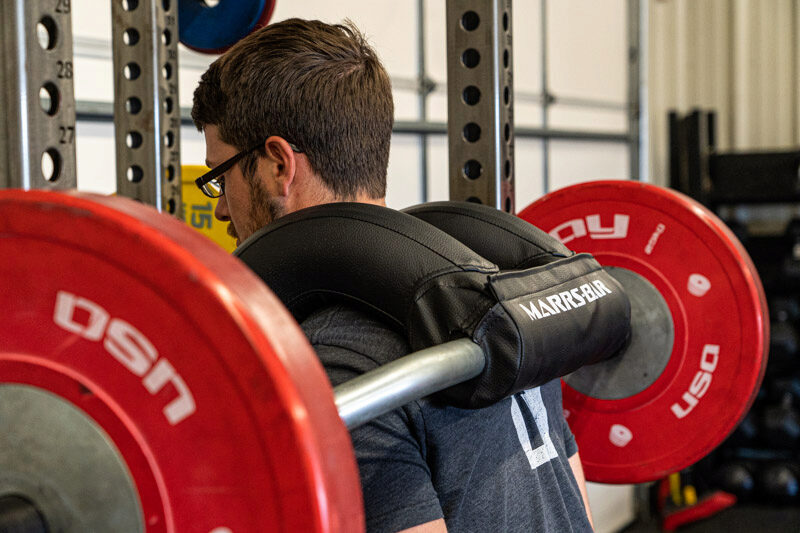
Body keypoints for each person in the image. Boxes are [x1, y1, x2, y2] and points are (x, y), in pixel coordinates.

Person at [191, 18, 594, 533]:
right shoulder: (507, 306)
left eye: (219, 177)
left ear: (277, 166)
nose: (222, 210)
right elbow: (574, 509)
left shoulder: (341, 363)